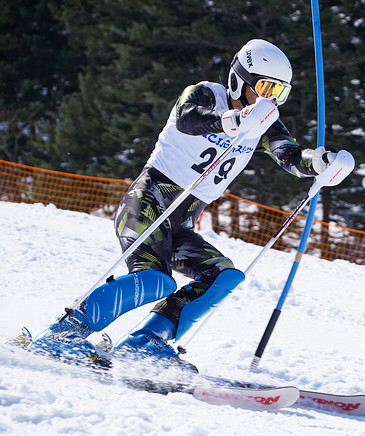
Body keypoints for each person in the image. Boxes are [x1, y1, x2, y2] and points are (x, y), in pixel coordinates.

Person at [29, 39, 345, 371]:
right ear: (240, 79)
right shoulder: (206, 94)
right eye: (265, 87)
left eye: (279, 92)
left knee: (223, 276)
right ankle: (65, 332)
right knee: (156, 280)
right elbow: (188, 119)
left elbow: (290, 156)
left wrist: (321, 163)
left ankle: (145, 343)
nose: (269, 99)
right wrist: (234, 120)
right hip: (148, 204)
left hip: (180, 223)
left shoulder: (265, 119)